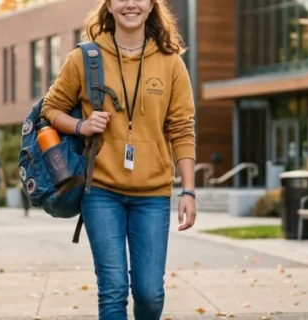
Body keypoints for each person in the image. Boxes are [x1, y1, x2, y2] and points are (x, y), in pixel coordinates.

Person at [38, 0, 198, 318]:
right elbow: (50, 109)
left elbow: (182, 129)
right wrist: (81, 125)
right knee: (112, 290)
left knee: (149, 293)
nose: (130, 4)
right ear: (110, 6)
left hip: (152, 194)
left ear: (151, 5)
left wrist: (189, 191)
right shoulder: (84, 58)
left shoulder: (171, 62)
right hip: (100, 191)